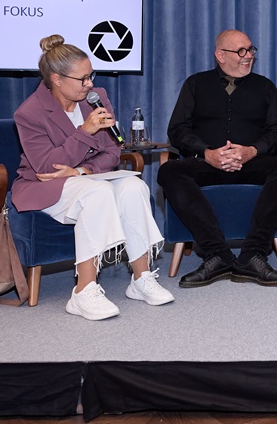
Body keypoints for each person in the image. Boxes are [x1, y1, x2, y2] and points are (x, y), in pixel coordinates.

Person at [12, 35, 173, 320]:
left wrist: (83, 171)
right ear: (57, 79)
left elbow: (113, 151)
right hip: (42, 188)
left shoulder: (96, 98)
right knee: (95, 194)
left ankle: (141, 278)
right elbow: (47, 167)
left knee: (133, 186)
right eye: (82, 79)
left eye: (91, 76)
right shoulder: (30, 113)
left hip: (86, 179)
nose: (90, 85)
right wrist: (83, 133)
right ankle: (83, 292)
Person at [158, 29, 277, 288]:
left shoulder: (265, 86)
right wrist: (207, 152)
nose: (248, 56)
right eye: (241, 51)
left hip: (252, 163)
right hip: (206, 163)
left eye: (250, 50)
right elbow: (177, 130)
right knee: (169, 171)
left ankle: (252, 254)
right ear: (220, 55)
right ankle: (218, 255)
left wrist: (251, 151)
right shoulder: (195, 84)